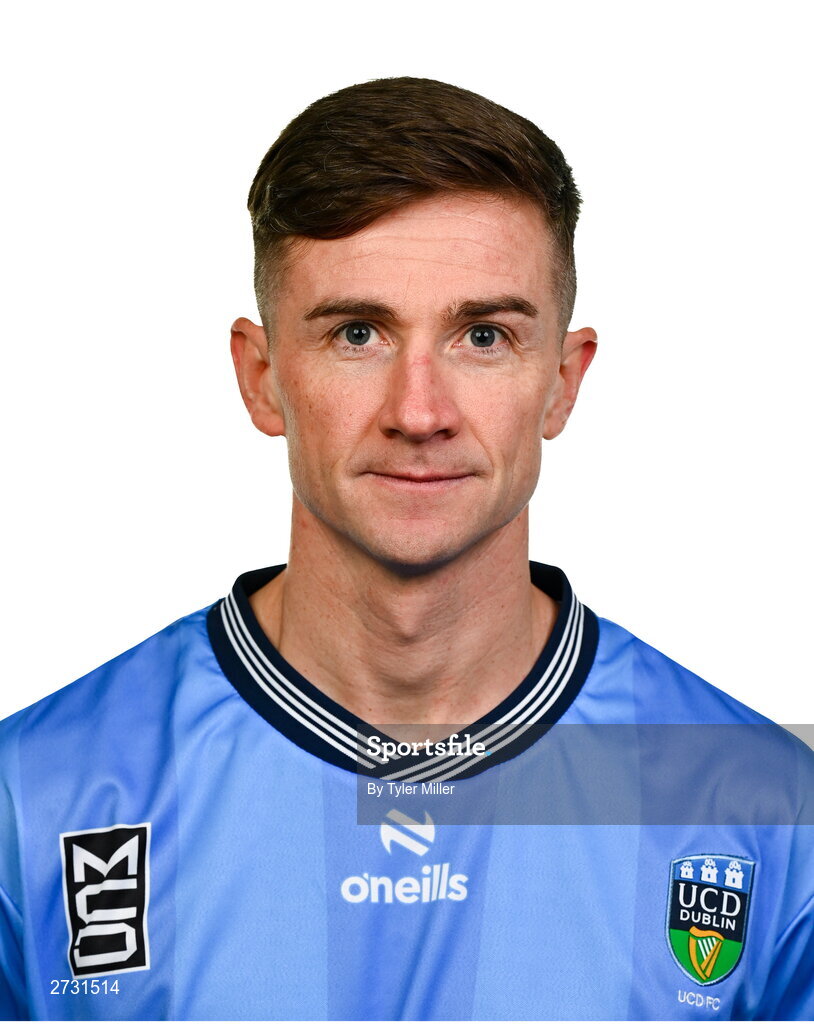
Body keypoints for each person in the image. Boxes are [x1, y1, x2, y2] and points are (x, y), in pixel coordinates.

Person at [0, 77, 811, 1022]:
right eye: (358, 333)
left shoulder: (765, 811)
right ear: (261, 379)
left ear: (562, 381)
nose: (418, 412)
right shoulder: (37, 794)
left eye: (483, 336)